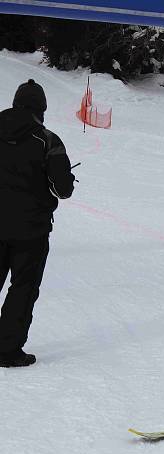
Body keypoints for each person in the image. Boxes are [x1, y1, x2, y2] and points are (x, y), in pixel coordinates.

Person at [0, 79, 75, 368]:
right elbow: (63, 189)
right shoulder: (47, 140)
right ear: (41, 108)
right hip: (30, 230)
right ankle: (7, 350)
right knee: (23, 288)